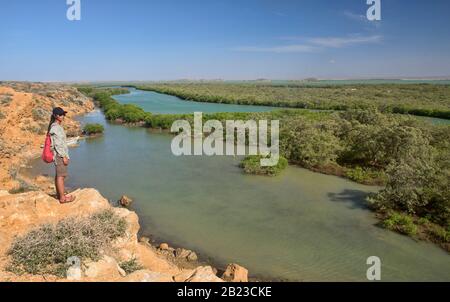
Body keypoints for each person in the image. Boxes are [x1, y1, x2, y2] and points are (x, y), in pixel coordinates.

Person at [48, 107, 76, 204]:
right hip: (59, 156)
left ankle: (60, 194)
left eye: (63, 114)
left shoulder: (56, 126)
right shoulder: (55, 127)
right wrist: (63, 156)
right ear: (56, 116)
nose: (63, 116)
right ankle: (63, 198)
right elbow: (58, 144)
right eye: (61, 115)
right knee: (61, 176)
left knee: (58, 176)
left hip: (59, 155)